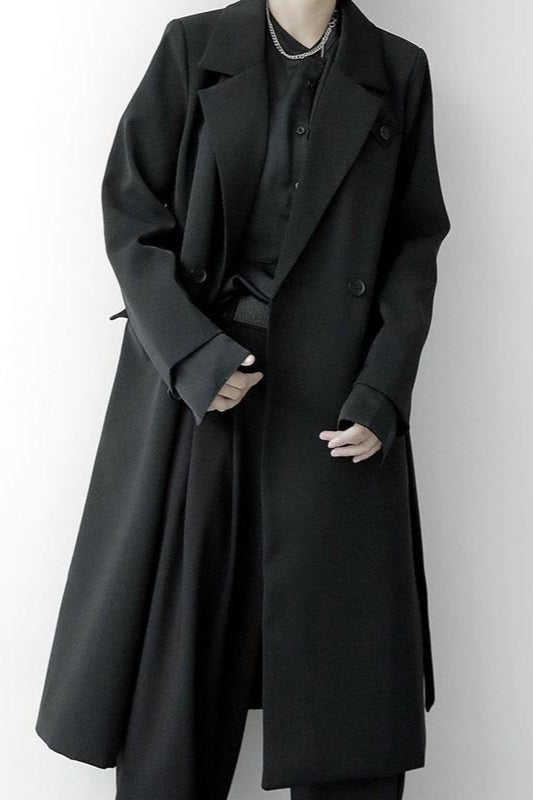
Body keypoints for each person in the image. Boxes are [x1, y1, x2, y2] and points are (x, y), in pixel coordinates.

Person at [35, 1, 451, 798]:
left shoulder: (397, 69)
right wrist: (192, 353)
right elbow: (132, 213)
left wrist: (383, 390)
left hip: (335, 405)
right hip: (207, 399)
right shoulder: (192, 48)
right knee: (177, 678)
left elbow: (414, 242)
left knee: (346, 689)